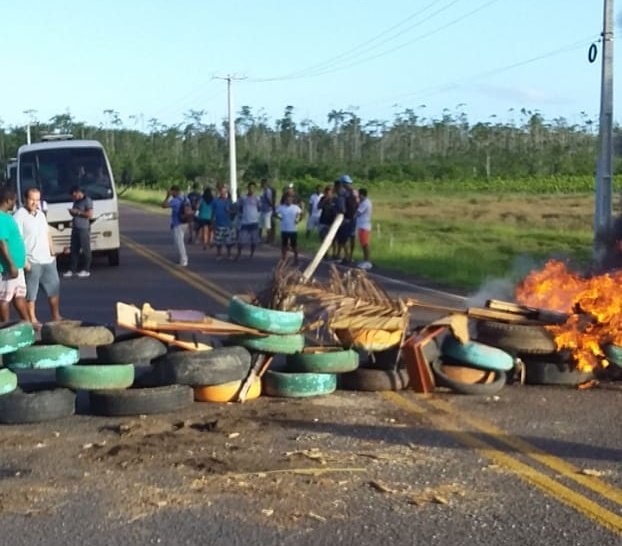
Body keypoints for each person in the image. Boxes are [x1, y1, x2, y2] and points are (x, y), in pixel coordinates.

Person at [13, 187, 63, 326]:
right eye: (32, 200)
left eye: (37, 200)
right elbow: (16, 240)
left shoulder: (41, 214)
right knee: (31, 293)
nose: (35, 203)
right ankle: (33, 319)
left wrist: (53, 252)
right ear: (25, 199)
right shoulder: (19, 216)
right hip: (32, 260)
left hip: (47, 259)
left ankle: (55, 315)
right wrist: (24, 261)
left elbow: (47, 233)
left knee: (54, 288)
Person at [0, 186, 29, 322]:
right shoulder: (1, 218)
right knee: (4, 297)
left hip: (17, 265)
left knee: (19, 295)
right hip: (7, 268)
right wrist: (11, 264)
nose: (15, 204)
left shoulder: (7, 217)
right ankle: (4, 328)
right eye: (14, 201)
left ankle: (27, 324)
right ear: (8, 200)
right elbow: (2, 242)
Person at [63, 185, 93, 278]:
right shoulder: (76, 201)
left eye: (74, 195)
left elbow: (90, 214)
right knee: (74, 250)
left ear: (78, 192)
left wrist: (78, 212)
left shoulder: (87, 200)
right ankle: (72, 269)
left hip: (83, 228)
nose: (73, 197)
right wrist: (72, 212)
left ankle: (86, 269)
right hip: (75, 227)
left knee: (85, 249)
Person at [161, 185, 190, 267]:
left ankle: (184, 260)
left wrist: (167, 197)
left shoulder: (175, 200)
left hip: (178, 223)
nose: (171, 193)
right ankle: (182, 259)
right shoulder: (185, 198)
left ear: (174, 191)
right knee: (179, 242)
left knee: (179, 243)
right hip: (185, 222)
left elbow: (163, 205)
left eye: (171, 191)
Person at [335, 175, 358, 265]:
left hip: (346, 219)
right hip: (354, 218)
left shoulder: (343, 193)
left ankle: (347, 257)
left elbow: (342, 207)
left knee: (344, 238)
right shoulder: (354, 192)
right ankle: (349, 257)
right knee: (351, 237)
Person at [275, 193, 303, 264]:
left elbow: (301, 213)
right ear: (285, 200)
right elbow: (275, 213)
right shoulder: (281, 207)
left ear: (292, 200)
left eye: (290, 199)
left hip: (293, 229)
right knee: (284, 245)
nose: (289, 200)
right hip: (284, 229)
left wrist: (298, 220)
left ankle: (296, 259)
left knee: (294, 245)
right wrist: (280, 217)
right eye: (287, 199)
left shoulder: (295, 207)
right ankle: (284, 258)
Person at [236, 182, 261, 259]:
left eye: (253, 188)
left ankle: (251, 254)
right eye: (250, 188)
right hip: (245, 222)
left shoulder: (257, 198)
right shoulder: (243, 198)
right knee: (241, 240)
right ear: (248, 188)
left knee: (254, 241)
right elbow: (239, 208)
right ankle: (239, 254)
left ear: (255, 189)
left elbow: (259, 208)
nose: (251, 189)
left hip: (254, 222)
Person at [211, 185, 236, 260]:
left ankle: (229, 254)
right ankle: (219, 254)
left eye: (225, 192)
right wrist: (212, 222)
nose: (223, 193)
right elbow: (212, 212)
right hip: (218, 223)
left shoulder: (229, 201)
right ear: (220, 192)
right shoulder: (215, 201)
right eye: (222, 192)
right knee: (218, 241)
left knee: (229, 242)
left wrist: (230, 212)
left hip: (227, 224)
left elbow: (234, 211)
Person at [317, 184, 338, 258]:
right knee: (322, 237)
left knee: (333, 239)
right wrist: (325, 200)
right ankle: (325, 253)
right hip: (323, 220)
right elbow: (318, 207)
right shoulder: (323, 198)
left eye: (329, 192)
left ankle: (334, 253)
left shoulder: (335, 199)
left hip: (332, 221)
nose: (328, 193)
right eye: (327, 192)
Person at [355, 188, 373, 270]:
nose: (358, 196)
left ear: (362, 195)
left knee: (365, 244)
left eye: (359, 195)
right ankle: (365, 260)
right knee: (363, 244)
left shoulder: (365, 203)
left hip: (364, 226)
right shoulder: (364, 202)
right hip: (361, 225)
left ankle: (367, 261)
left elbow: (358, 213)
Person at [259, 178, 275, 244]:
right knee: (260, 225)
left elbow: (269, 200)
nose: (262, 185)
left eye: (263, 183)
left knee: (267, 225)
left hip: (267, 210)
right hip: (262, 210)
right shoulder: (262, 190)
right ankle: (259, 238)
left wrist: (272, 207)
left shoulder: (268, 191)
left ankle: (269, 239)